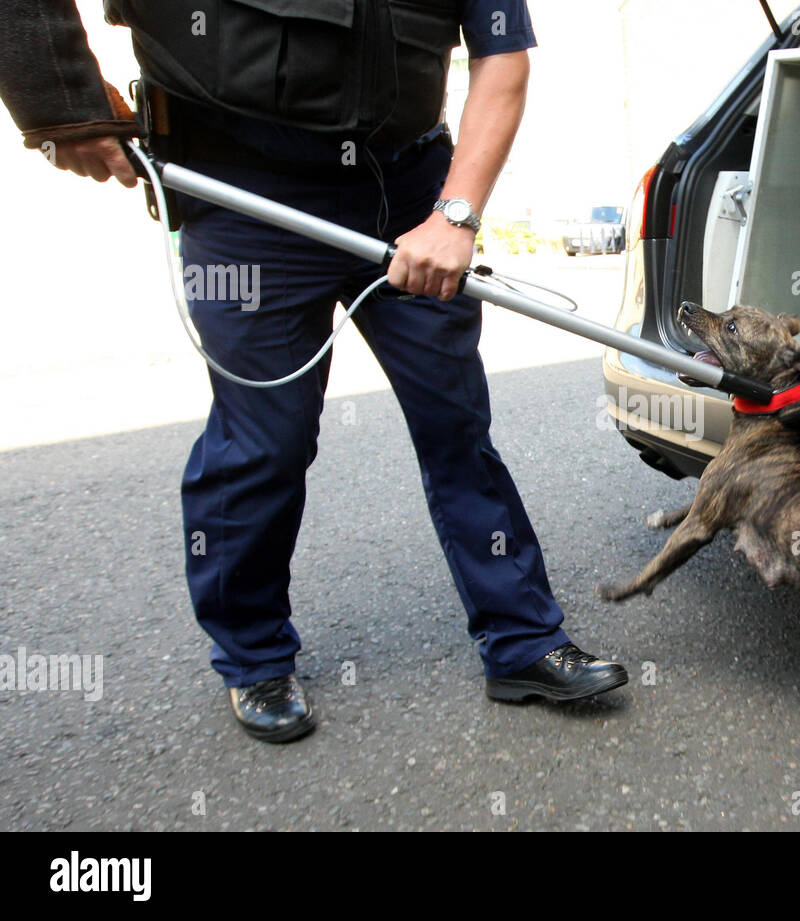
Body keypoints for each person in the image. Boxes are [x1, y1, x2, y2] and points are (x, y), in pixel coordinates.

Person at [0, 0, 627, 743]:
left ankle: (522, 641)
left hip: (410, 189)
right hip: (244, 193)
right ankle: (254, 655)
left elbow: (502, 52)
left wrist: (455, 216)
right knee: (266, 438)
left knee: (455, 422)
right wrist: (58, 98)